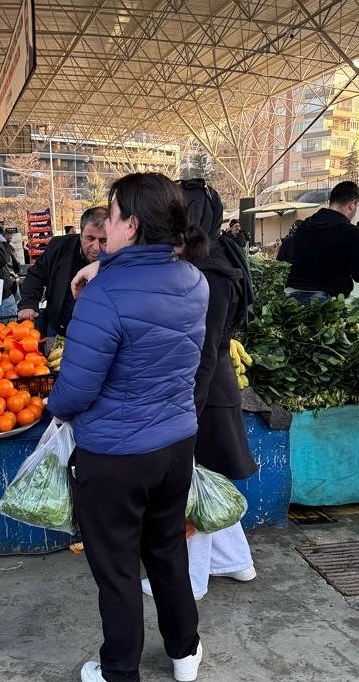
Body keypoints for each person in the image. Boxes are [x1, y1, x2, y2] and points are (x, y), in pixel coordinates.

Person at [48, 172, 209, 682]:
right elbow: (151, 287)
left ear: (131, 224)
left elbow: (75, 389)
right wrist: (103, 269)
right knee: (165, 549)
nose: (104, 226)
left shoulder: (104, 297)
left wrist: (51, 407)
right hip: (176, 445)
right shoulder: (194, 282)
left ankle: (120, 677)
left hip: (115, 454)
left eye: (111, 215)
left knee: (116, 566)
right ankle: (184, 653)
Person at [139, 180, 257, 602]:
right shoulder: (215, 258)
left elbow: (204, 351)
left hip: (201, 390)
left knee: (191, 483)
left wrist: (186, 412)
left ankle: (190, 580)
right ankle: (236, 560)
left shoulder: (210, 273)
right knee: (209, 479)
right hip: (210, 385)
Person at [17, 206, 107, 336]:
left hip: (98, 334)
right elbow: (36, 274)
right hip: (58, 328)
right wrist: (28, 304)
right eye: (90, 238)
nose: (96, 247)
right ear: (80, 234)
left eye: (103, 240)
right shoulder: (59, 246)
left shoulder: (119, 255)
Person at [284, 181, 359, 305]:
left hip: (291, 298)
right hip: (325, 302)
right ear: (353, 204)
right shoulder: (352, 232)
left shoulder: (304, 226)